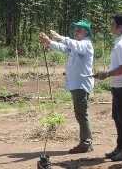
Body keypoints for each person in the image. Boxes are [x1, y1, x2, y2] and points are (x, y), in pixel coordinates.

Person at [39, 20, 94, 154]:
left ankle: (85, 143)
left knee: (81, 114)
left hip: (80, 84)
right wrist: (49, 42)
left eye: (78, 30)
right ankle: (87, 142)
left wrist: (61, 38)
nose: (76, 32)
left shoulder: (85, 44)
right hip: (77, 84)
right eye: (75, 30)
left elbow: (73, 44)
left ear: (86, 32)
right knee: (80, 114)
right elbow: (64, 48)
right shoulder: (77, 45)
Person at [96, 14, 122, 161]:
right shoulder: (120, 40)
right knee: (117, 116)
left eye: (112, 24)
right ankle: (120, 147)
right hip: (120, 85)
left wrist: (106, 74)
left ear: (120, 26)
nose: (110, 26)